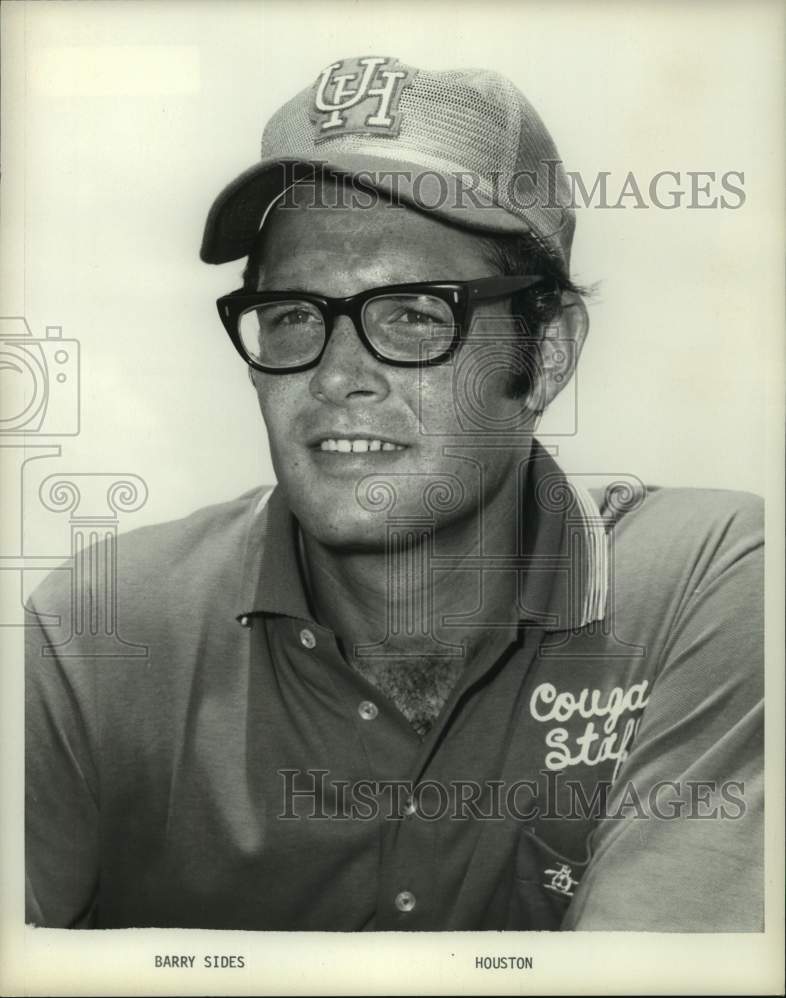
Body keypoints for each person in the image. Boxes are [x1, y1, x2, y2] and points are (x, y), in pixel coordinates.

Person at [25, 55, 763, 932]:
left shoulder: (702, 586)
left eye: (415, 313)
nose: (338, 376)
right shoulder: (96, 635)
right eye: (294, 312)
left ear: (548, 356)